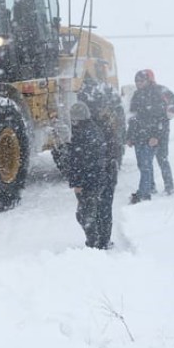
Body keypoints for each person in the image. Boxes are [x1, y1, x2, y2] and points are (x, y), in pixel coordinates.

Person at [63, 102, 113, 249]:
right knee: (98, 212)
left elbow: (79, 162)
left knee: (84, 214)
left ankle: (94, 244)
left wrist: (78, 183)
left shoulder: (81, 135)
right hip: (99, 178)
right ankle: (102, 241)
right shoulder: (94, 130)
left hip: (89, 181)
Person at [127, 69, 173, 203]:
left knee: (161, 159)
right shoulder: (136, 95)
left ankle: (166, 187)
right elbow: (132, 117)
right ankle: (150, 187)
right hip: (140, 135)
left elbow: (160, 118)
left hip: (156, 135)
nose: (138, 83)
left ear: (149, 80)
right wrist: (129, 136)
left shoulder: (157, 93)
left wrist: (156, 136)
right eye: (136, 81)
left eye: (141, 81)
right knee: (143, 164)